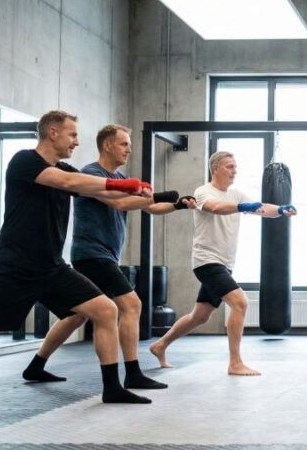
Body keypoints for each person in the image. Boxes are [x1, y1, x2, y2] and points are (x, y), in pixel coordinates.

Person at [0, 110, 154, 418]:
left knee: (105, 309)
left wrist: (138, 192)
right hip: (15, 268)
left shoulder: (67, 168)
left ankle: (112, 388)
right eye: (72, 135)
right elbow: (68, 181)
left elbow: (95, 189)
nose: (76, 142)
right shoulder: (24, 162)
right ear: (52, 133)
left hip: (52, 267)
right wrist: (125, 185)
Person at [21, 124, 197, 390]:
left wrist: (176, 205)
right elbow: (119, 202)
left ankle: (36, 366)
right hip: (92, 255)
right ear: (107, 145)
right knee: (132, 304)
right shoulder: (92, 174)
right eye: (124, 144)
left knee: (74, 316)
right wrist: (152, 196)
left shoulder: (121, 177)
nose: (129, 149)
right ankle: (133, 373)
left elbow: (148, 208)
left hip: (103, 256)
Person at [148, 151, 296, 376]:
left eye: (235, 167)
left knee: (200, 315)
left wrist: (280, 210)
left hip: (224, 264)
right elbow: (215, 208)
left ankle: (160, 345)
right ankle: (235, 363)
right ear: (215, 168)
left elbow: (262, 207)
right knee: (240, 302)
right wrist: (243, 207)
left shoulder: (236, 194)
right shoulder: (203, 192)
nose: (234, 171)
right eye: (229, 166)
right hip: (207, 262)